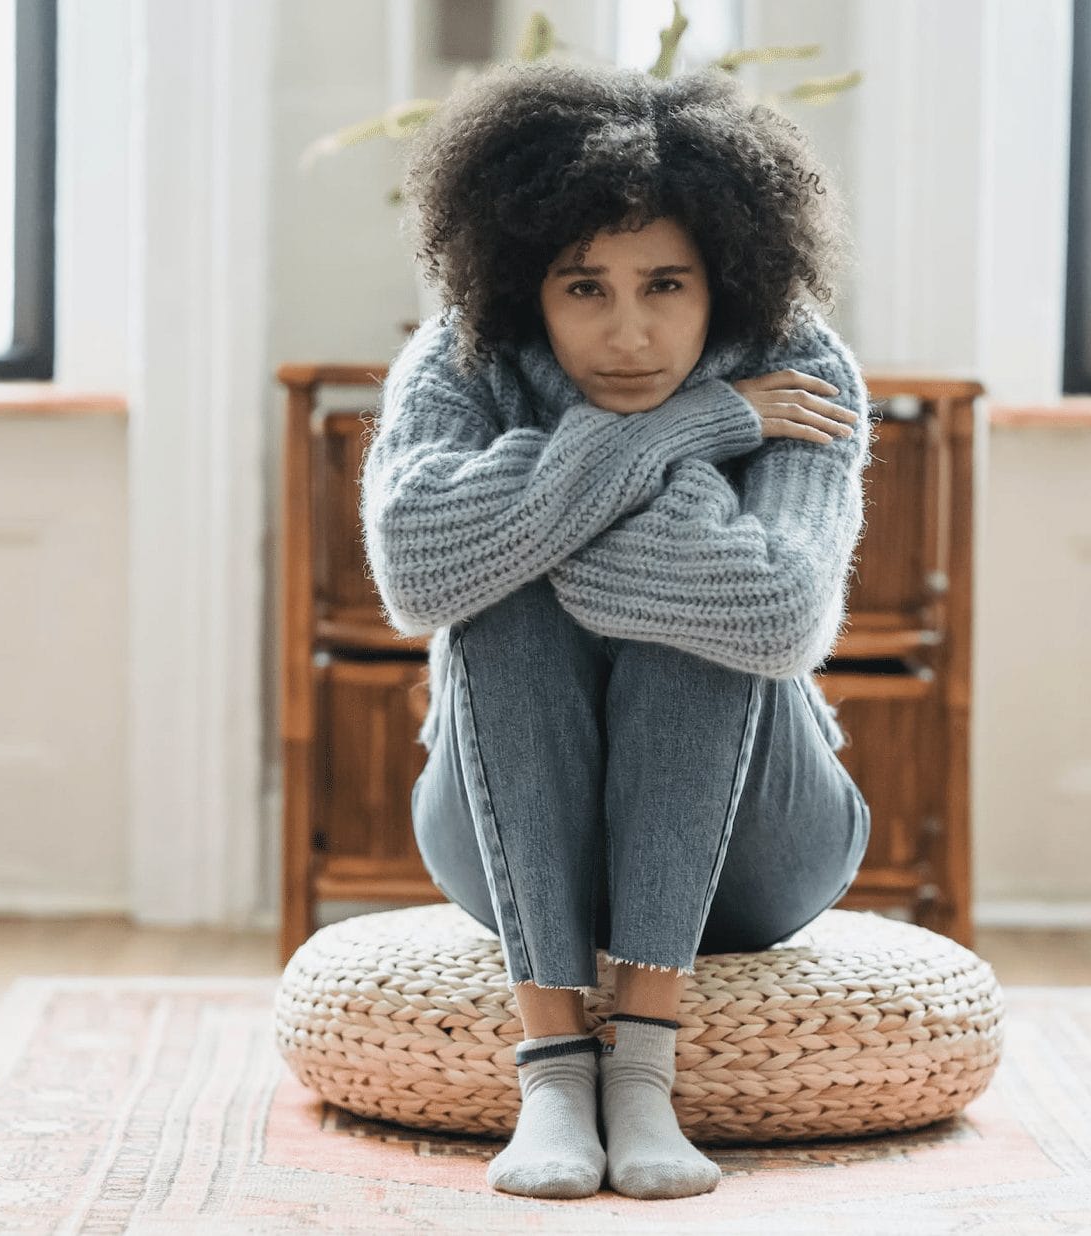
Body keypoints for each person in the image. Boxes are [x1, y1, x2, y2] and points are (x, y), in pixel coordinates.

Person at [360, 58, 872, 1201]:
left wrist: (544, 516)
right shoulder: (461, 359)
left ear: (725, 278)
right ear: (520, 284)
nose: (628, 333)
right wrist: (678, 435)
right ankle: (554, 1070)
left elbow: (777, 610)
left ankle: (639, 1069)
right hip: (500, 849)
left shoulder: (798, 365)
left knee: (693, 609)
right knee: (500, 594)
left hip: (766, 849)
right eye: (583, 287)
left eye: (666, 284)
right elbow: (415, 568)